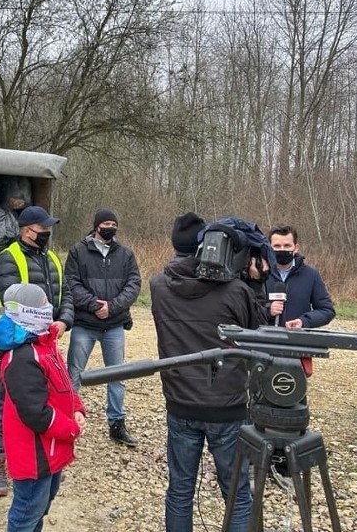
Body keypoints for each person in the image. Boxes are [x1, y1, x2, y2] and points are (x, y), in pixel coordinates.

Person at [150, 211, 264, 532]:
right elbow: (260, 333)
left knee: (180, 490)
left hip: (180, 402)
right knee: (237, 494)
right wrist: (255, 284)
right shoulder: (236, 291)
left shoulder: (158, 286)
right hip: (226, 406)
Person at [0, 205, 74, 497]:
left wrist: (63, 319)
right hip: (20, 342)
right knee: (6, 402)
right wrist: (41, 325)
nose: (47, 234)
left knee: (43, 399)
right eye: (43, 229)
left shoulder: (51, 258)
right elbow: (12, 301)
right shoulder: (9, 258)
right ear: (27, 231)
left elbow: (66, 293)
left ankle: (40, 456)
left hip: (48, 339)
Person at [0, 283, 85, 532]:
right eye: (44, 303)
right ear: (28, 312)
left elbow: (64, 384)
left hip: (51, 449)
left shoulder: (45, 345)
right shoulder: (22, 358)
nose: (49, 308)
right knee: (27, 513)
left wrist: (77, 408)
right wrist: (71, 429)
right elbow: (36, 413)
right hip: (34, 455)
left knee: (41, 506)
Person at [64, 208, 141, 446]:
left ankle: (117, 423)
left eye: (114, 223)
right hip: (85, 323)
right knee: (74, 374)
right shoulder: (78, 251)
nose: (111, 227)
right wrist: (94, 304)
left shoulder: (125, 254)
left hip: (115, 324)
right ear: (97, 225)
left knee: (117, 376)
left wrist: (113, 306)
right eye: (106, 223)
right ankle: (67, 420)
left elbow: (134, 283)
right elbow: (71, 283)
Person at [265, 225, 335, 329]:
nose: (282, 249)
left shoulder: (311, 275)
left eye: (287, 246)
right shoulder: (259, 273)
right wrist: (268, 311)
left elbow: (326, 310)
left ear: (296, 248)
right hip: (264, 340)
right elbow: (245, 309)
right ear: (269, 247)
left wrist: (304, 321)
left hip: (298, 340)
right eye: (277, 246)